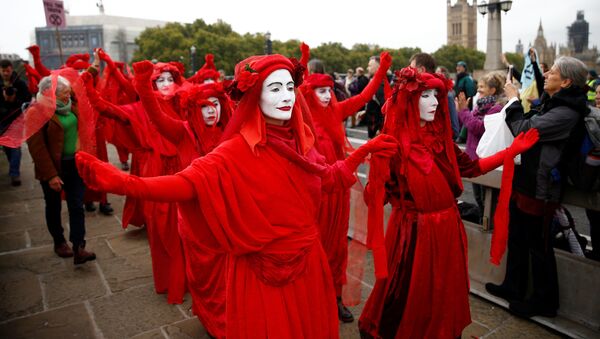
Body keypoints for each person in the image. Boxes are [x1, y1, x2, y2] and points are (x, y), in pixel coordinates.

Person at [76, 53, 398, 338]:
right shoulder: (233, 152)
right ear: (255, 96)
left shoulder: (301, 142)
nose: (286, 96)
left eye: (289, 87)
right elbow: (186, 184)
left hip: (309, 268)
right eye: (275, 88)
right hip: (261, 279)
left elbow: (329, 178)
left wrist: (363, 151)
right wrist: (126, 183)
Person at [358, 67, 538, 338]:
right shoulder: (392, 144)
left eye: (436, 95)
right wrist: (377, 168)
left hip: (447, 229)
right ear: (409, 99)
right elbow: (374, 198)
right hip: (413, 234)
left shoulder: (442, 141)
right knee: (406, 291)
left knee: (443, 290)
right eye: (425, 95)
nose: (434, 102)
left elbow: (474, 167)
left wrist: (510, 152)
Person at [485, 56, 590, 318]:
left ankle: (544, 302)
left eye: (552, 71)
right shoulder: (553, 103)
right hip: (526, 180)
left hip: (542, 188)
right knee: (517, 237)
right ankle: (514, 287)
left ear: (565, 81)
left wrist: (512, 100)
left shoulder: (567, 112)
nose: (546, 74)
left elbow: (524, 130)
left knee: (539, 246)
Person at [82, 60, 188, 305]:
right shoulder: (138, 109)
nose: (165, 84)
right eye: (159, 80)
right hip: (156, 172)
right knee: (162, 229)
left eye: (169, 79)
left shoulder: (184, 104)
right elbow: (107, 109)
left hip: (184, 168)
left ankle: (192, 277)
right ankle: (172, 279)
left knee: (189, 226)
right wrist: (88, 88)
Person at [300, 52, 392, 323]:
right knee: (314, 247)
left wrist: (382, 72)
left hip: (338, 190)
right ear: (310, 92)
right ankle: (314, 298)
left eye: (329, 90)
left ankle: (336, 297)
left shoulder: (336, 111)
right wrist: (302, 62)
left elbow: (364, 98)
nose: (327, 96)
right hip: (316, 192)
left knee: (339, 246)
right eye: (320, 91)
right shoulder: (302, 116)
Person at [27, 75, 96, 264]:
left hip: (74, 164)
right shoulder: (36, 112)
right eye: (64, 94)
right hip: (52, 168)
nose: (68, 97)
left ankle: (78, 246)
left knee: (76, 204)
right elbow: (37, 149)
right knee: (54, 205)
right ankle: (59, 241)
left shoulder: (69, 104)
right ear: (51, 94)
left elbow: (79, 87)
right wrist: (51, 176)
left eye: (68, 93)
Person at [457, 71, 506, 219]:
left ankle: (489, 232)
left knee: (487, 201)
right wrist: (462, 111)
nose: (478, 90)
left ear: (492, 90)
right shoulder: (479, 106)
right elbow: (467, 125)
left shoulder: (496, 108)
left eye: (482, 87)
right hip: (474, 160)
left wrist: (464, 111)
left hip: (485, 161)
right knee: (479, 199)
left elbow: (479, 128)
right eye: (478, 86)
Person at [1, 59, 31, 186]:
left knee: (15, 145)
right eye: (3, 71)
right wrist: (5, 102)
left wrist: (14, 100)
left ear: (11, 69)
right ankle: (13, 167)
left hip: (16, 119)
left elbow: (27, 100)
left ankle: (15, 174)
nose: (6, 73)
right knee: (6, 146)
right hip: (1, 119)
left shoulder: (19, 83)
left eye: (8, 71)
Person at [365, 56, 386, 138]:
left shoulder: (380, 85)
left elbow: (385, 109)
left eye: (370, 65)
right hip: (373, 127)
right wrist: (365, 111)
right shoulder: (374, 81)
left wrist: (381, 128)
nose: (367, 68)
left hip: (377, 130)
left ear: (378, 67)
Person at [436, 66, 460, 139]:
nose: (436, 74)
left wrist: (455, 132)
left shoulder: (448, 95)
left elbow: (453, 115)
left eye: (438, 72)